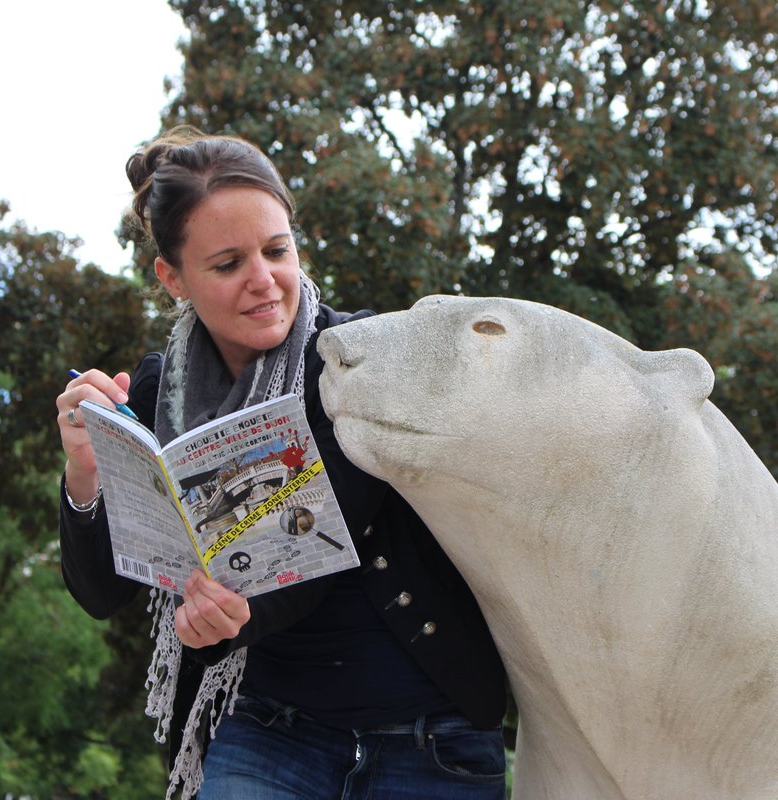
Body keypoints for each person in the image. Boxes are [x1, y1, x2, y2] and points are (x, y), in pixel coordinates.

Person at [55, 126, 508, 800]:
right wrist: (84, 472)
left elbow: (306, 551)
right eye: (227, 264)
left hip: (431, 738)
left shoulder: (360, 364)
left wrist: (223, 624)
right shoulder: (157, 394)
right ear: (172, 277)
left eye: (277, 250)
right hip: (269, 730)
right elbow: (101, 593)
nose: (264, 281)